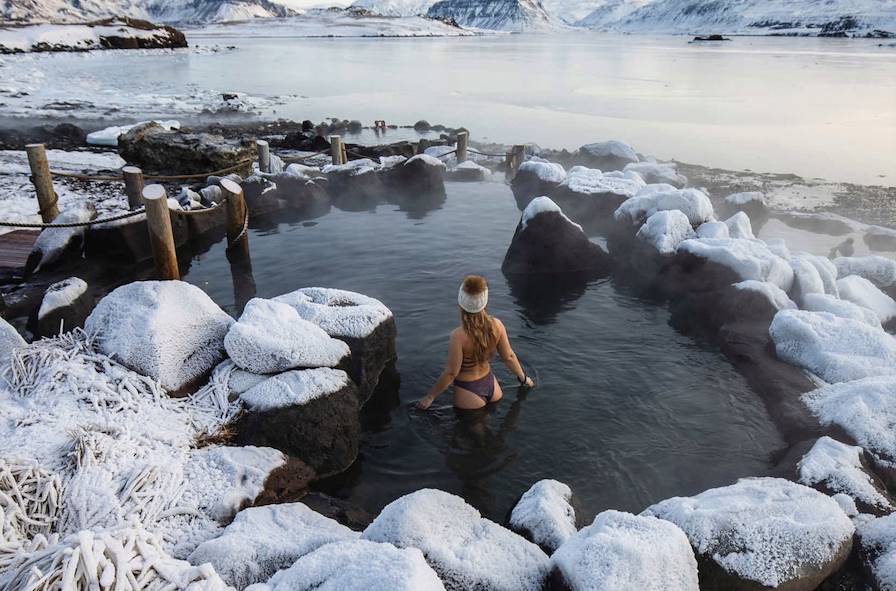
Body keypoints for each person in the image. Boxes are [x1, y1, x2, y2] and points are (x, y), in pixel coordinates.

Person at [417, 275, 534, 410]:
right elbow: (509, 357)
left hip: (468, 391)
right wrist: (524, 378)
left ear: (461, 302)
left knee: (473, 429)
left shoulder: (458, 336)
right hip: (493, 387)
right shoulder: (497, 325)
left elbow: (451, 373)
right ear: (485, 301)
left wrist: (430, 397)